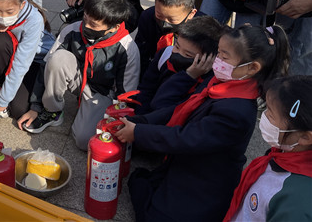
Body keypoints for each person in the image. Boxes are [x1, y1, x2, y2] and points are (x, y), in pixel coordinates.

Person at [116, 24, 290, 222]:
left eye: (224, 57)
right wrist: (139, 122)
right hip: (187, 163)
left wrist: (138, 132)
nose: (218, 60)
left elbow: (187, 139)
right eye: (219, 53)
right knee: (143, 186)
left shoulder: (237, 112)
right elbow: (180, 109)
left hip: (206, 178)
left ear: (252, 67)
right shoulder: (220, 82)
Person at [19, 0, 140, 151]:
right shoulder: (72, 30)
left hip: (102, 93)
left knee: (84, 141)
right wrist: (36, 106)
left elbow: (126, 95)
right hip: (78, 79)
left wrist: (116, 122)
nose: (85, 26)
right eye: (85, 18)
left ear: (114, 27)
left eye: (93, 24)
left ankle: (89, 110)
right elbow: (46, 66)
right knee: (57, 58)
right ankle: (53, 111)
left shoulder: (127, 48)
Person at [224, 74, 312, 222]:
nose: (264, 116)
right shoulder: (282, 154)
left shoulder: (296, 203)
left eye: (270, 115)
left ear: (305, 137)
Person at [0, 0, 55, 120]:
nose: (3, 17)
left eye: (9, 12)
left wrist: (3, 100)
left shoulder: (34, 19)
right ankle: (5, 85)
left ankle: (13, 91)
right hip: (14, 54)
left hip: (36, 62)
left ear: (22, 5)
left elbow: (21, 62)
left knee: (18, 111)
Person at [135, 16, 222, 115]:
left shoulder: (210, 81)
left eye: (188, 55)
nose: (178, 54)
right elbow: (146, 90)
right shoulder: (165, 55)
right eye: (177, 46)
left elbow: (161, 104)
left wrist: (188, 76)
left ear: (209, 58)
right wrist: (140, 119)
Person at [135, 0, 198, 76]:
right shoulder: (147, 17)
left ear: (191, 14)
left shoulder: (201, 31)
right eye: (159, 15)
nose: (165, 24)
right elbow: (141, 52)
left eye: (172, 20)